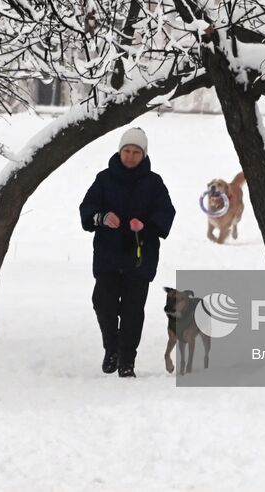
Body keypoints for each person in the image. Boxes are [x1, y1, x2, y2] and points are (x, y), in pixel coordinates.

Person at [79, 126, 176, 378]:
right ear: (120, 152)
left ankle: (126, 359)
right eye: (127, 151)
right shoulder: (104, 179)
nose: (131, 156)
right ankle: (111, 348)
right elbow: (87, 209)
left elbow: (166, 213)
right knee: (103, 302)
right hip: (107, 255)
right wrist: (102, 217)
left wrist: (146, 225)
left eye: (136, 152)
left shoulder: (154, 182)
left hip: (139, 258)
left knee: (133, 310)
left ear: (143, 155)